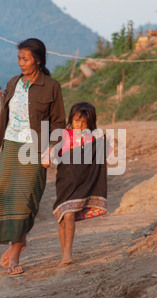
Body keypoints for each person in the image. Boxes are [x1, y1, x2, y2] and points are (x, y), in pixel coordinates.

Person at [0, 38, 66, 275]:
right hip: (10, 147)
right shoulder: (12, 83)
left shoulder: (51, 86)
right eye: (19, 58)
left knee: (24, 202)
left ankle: (15, 254)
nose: (20, 63)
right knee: (0, 200)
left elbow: (59, 121)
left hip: (35, 151)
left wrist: (52, 149)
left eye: (25, 58)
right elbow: (2, 122)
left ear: (38, 60)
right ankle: (20, 240)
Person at [52, 102, 108, 266]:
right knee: (62, 217)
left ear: (90, 123)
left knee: (69, 215)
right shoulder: (64, 135)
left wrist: (103, 141)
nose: (80, 126)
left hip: (83, 183)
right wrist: (48, 157)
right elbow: (55, 153)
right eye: (77, 121)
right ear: (71, 120)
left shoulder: (92, 138)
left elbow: (103, 154)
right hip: (65, 182)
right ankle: (64, 251)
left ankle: (68, 250)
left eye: (84, 123)